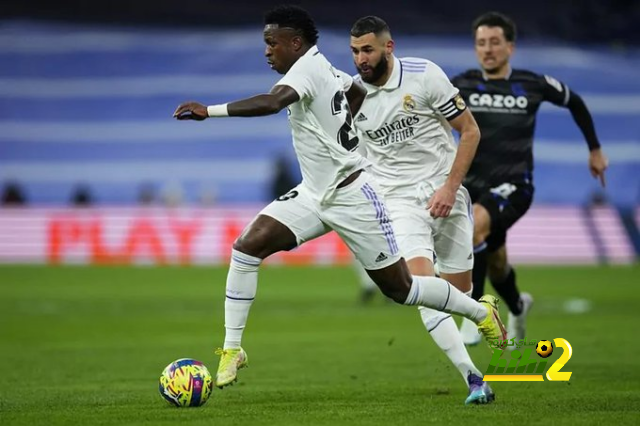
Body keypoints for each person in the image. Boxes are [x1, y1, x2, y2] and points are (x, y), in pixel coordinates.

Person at [173, 5, 506, 390]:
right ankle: (233, 348)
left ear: (294, 43)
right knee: (247, 247)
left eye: (271, 44)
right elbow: (354, 94)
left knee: (404, 290)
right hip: (316, 193)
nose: (266, 52)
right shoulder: (331, 71)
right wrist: (342, 134)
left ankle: (477, 311)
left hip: (353, 197)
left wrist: (207, 111)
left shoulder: (308, 71)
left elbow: (270, 103)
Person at [348, 16, 494, 404]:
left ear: (388, 48)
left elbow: (471, 130)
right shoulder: (351, 96)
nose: (360, 59)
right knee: (419, 289)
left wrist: (450, 187)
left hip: (445, 193)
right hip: (398, 202)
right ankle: (474, 378)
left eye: (367, 50)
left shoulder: (424, 74)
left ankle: (479, 309)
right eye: (355, 51)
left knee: (456, 292)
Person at [452, 12, 608, 346]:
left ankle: (476, 314)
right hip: (471, 186)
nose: (488, 49)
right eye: (481, 43)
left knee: (475, 226)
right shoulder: (460, 84)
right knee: (496, 264)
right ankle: (519, 307)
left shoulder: (532, 83)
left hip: (515, 186)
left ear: (510, 46)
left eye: (495, 42)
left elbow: (575, 102)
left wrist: (595, 150)